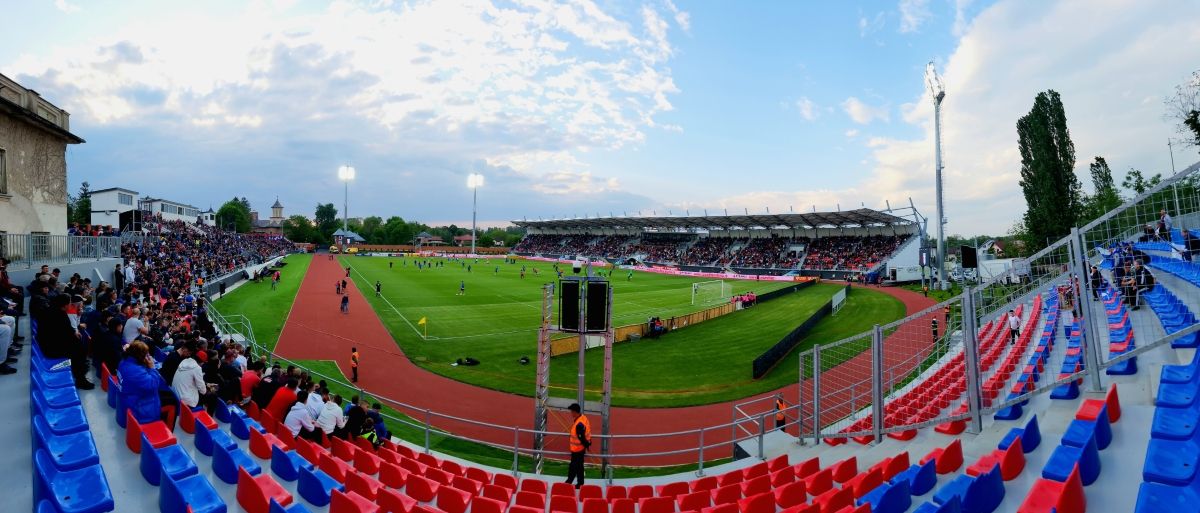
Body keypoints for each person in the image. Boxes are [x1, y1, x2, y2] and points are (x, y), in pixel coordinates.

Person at [37, 294, 93, 388]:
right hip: (51, 349)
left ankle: (80, 369)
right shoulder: (58, 315)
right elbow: (64, 334)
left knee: (79, 347)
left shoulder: (53, 311)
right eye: (69, 303)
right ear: (64, 305)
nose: (70, 305)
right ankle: (80, 380)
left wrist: (74, 332)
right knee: (79, 352)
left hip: (50, 343)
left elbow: (66, 330)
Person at [117, 341, 170, 424]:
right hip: (138, 408)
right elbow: (154, 386)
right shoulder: (136, 371)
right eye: (146, 354)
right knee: (172, 401)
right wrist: (152, 368)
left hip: (127, 398)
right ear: (140, 356)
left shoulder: (124, 362)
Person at [564, 403, 591, 488]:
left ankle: (569, 481)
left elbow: (581, 437)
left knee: (574, 466)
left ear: (575, 412)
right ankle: (580, 483)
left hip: (578, 449)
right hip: (580, 448)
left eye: (571, 411)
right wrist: (587, 444)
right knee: (579, 466)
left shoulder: (579, 424)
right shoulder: (583, 418)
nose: (570, 413)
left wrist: (586, 445)